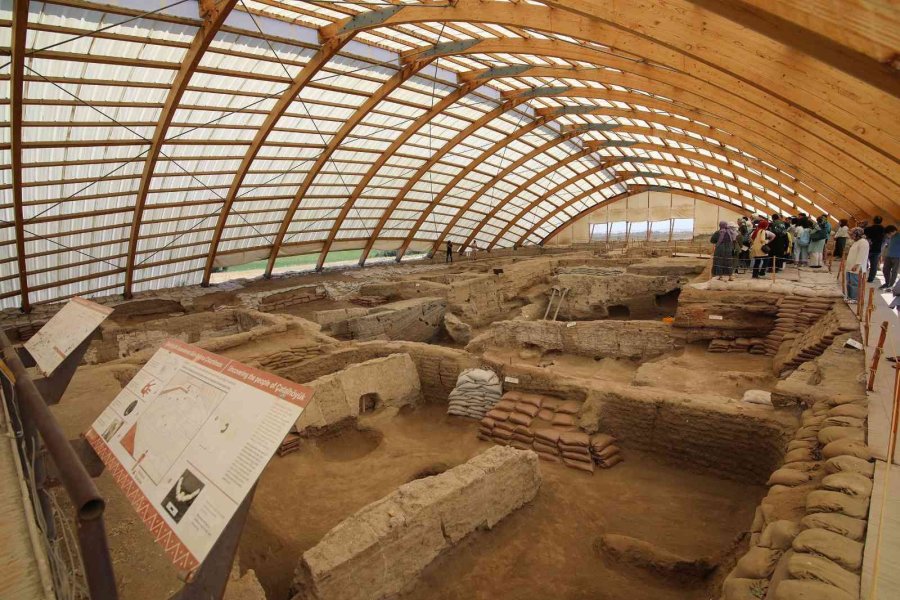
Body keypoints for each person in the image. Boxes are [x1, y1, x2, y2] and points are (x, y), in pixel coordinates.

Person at [845, 228, 869, 303]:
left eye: (852, 235)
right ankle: (850, 297)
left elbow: (861, 255)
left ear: (857, 234)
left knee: (854, 283)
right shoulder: (856, 242)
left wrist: (857, 264)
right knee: (849, 282)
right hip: (850, 265)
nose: (851, 236)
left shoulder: (863, 242)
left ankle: (855, 298)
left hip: (857, 266)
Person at [865, 216, 885, 283]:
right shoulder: (883, 229)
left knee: (864, 263)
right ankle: (870, 279)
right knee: (874, 265)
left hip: (867, 248)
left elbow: (864, 236)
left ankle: (862, 276)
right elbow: (884, 239)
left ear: (873, 221)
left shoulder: (868, 229)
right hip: (877, 249)